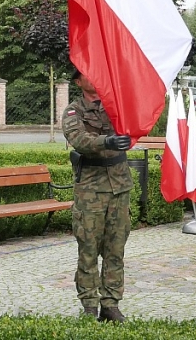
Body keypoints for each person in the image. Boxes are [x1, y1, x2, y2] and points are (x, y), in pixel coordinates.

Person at [61, 67, 132, 323]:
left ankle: (111, 304)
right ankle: (90, 305)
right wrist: (107, 142)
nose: (94, 75)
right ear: (78, 81)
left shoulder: (116, 105)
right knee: (88, 249)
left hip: (119, 186)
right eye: (86, 73)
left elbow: (135, 117)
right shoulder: (73, 111)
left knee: (115, 249)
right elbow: (78, 139)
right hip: (91, 189)